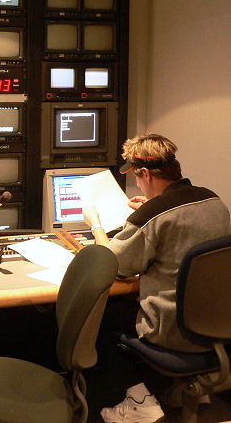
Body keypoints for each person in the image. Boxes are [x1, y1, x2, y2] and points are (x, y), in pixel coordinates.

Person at [83, 134, 231, 423]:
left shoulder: (153, 215)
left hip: (172, 330)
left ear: (146, 174)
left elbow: (110, 265)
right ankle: (183, 390)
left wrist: (96, 225)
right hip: (217, 325)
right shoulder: (213, 200)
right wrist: (153, 207)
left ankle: (139, 402)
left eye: (137, 178)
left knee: (96, 317)